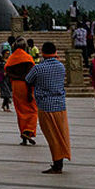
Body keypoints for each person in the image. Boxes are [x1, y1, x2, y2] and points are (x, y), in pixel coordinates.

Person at [25, 41, 70, 174]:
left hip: (45, 106)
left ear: (43, 53)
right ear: (55, 52)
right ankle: (60, 161)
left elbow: (28, 80)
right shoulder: (61, 66)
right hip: (60, 105)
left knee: (52, 136)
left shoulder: (38, 68)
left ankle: (57, 164)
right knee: (61, 134)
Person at [5, 38, 37, 145]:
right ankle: (28, 130)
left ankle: (23, 136)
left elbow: (7, 71)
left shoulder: (12, 58)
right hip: (26, 84)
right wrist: (29, 92)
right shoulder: (27, 57)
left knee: (20, 111)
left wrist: (17, 77)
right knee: (32, 110)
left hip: (16, 85)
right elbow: (30, 75)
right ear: (24, 46)